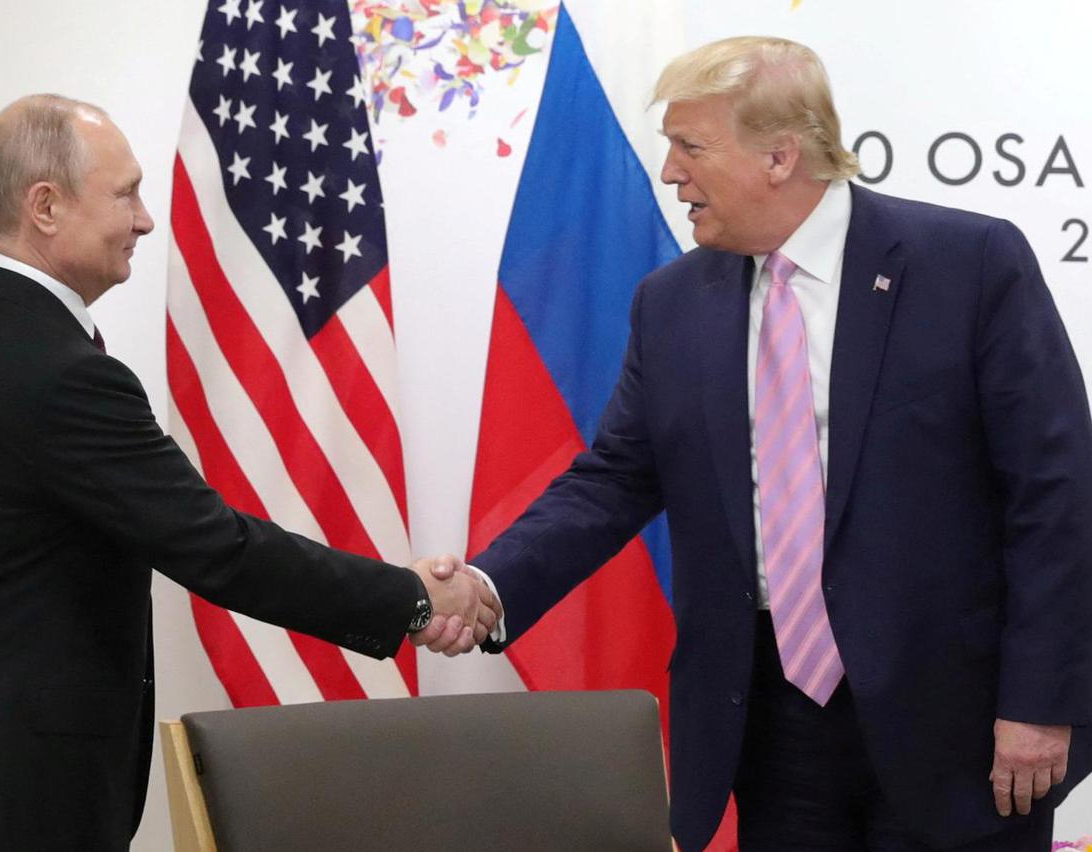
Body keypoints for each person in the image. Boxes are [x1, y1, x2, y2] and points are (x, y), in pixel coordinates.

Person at [452, 36, 1092, 851]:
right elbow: (613, 480)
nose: (671, 173)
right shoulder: (672, 302)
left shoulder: (968, 266)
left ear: (781, 156)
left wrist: (1042, 699)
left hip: (958, 723)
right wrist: (488, 585)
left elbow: (1056, 494)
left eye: (691, 146)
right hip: (770, 720)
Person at [0, 94, 494, 852]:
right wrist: (411, 599)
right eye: (125, 194)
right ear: (44, 207)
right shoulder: (58, 372)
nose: (145, 220)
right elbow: (217, 547)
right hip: (7, 798)